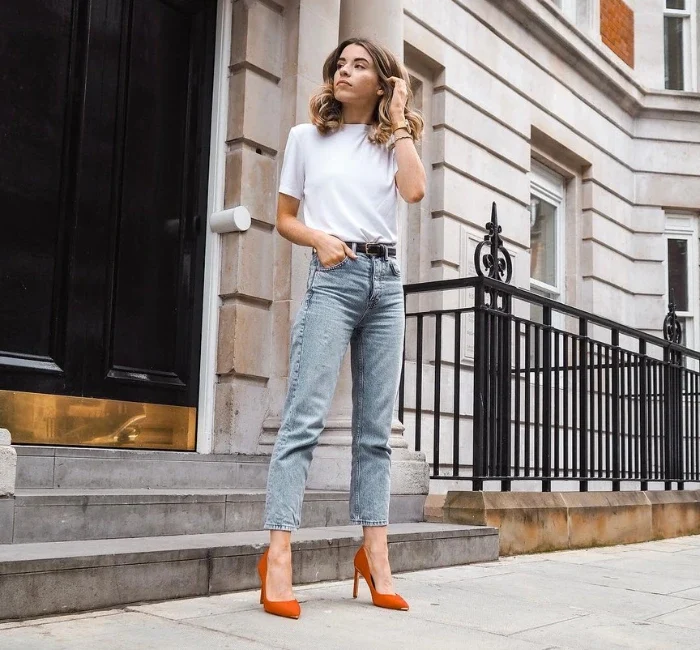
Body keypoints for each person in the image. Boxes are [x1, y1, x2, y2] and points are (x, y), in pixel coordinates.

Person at [257, 37, 426, 619]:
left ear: (383, 83)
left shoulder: (390, 141)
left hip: (386, 282)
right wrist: (321, 239)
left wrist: (400, 123)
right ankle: (278, 555)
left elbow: (415, 190)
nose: (345, 73)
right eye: (340, 66)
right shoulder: (307, 139)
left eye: (360, 66)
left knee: (374, 430)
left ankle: (375, 555)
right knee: (304, 417)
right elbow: (282, 218)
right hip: (334, 276)